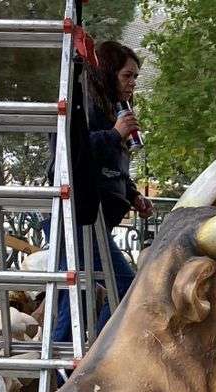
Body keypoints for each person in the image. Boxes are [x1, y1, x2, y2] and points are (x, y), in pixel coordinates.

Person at [52, 41, 152, 346]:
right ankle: (95, 351)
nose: (132, 83)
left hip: (96, 217)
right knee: (122, 286)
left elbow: (111, 167)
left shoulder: (113, 110)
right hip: (79, 215)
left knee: (77, 294)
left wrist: (132, 194)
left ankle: (69, 357)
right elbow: (69, 154)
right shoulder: (83, 106)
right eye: (127, 75)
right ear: (108, 73)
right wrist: (114, 135)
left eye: (135, 77)